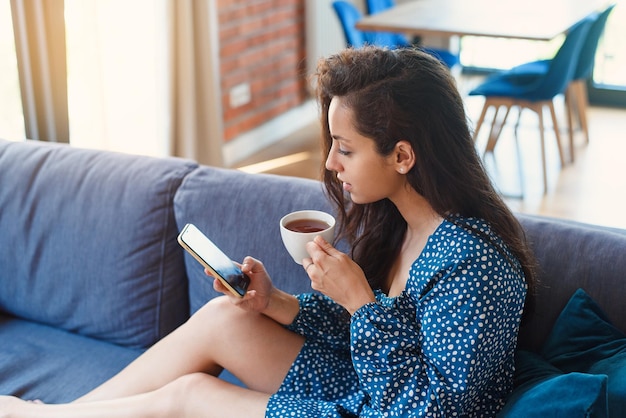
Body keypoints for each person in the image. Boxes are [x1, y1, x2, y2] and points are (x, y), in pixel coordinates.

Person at [0, 45, 536, 417]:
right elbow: (377, 345)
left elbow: (436, 410)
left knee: (191, 396)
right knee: (224, 316)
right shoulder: (400, 224)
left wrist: (360, 303)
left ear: (402, 156)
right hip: (367, 387)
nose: (329, 163)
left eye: (345, 148)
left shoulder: (472, 263)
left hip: (387, 410)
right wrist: (277, 302)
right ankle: (64, 413)